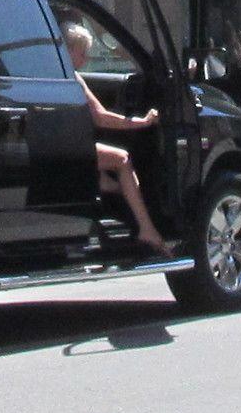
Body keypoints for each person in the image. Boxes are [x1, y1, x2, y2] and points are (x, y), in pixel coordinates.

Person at [59, 15, 173, 258]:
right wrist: (143, 122)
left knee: (113, 175)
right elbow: (101, 118)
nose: (86, 59)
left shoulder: (52, 72)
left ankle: (111, 188)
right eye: (82, 53)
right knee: (121, 159)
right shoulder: (73, 79)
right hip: (73, 149)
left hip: (61, 145)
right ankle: (146, 228)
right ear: (68, 51)